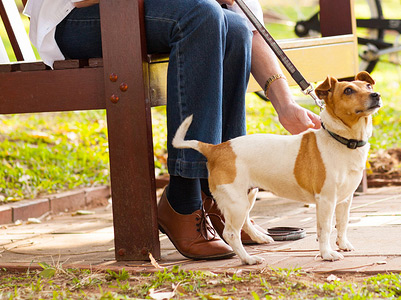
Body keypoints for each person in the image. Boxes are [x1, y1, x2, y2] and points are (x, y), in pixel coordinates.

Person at [24, 0, 322, 260]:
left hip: (150, 12)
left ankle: (219, 196)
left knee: (233, 28)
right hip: (72, 19)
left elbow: (248, 22)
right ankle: (183, 199)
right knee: (201, 13)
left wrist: (285, 105)